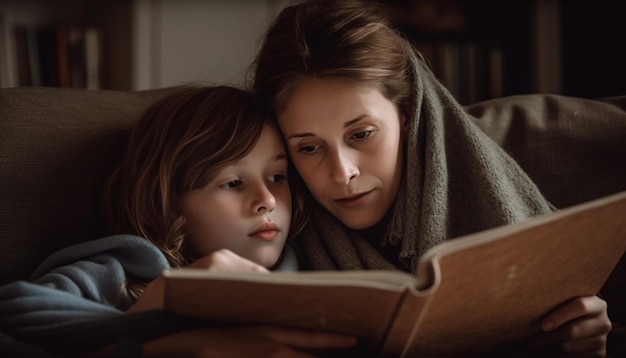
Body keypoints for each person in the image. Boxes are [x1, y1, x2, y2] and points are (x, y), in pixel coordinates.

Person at [251, 0, 611, 356]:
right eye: (309, 148)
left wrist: (585, 332)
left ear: (407, 114)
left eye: (361, 134)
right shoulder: (272, 218)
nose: (343, 173)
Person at [0, 86, 356, 357]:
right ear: (170, 204)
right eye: (232, 183)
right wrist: (157, 309)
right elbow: (12, 315)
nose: (266, 200)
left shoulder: (314, 264)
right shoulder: (116, 276)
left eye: (278, 177)